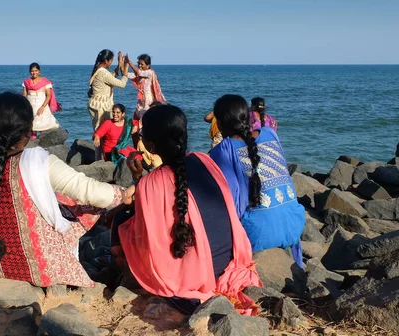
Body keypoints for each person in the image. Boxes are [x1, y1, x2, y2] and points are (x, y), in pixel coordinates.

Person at [0, 92, 134, 288]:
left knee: (52, 198)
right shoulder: (37, 161)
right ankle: (70, 262)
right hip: (43, 270)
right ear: (28, 130)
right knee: (74, 201)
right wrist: (123, 194)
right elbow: (91, 192)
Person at [113, 104, 262, 316]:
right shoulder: (204, 159)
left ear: (150, 145)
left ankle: (119, 269)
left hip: (198, 276)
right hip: (231, 260)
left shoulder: (151, 182)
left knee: (121, 222)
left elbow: (149, 234)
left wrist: (138, 178)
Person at [209, 94, 304, 267]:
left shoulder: (223, 150)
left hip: (259, 235)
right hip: (295, 224)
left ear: (220, 124)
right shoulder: (270, 134)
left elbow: (234, 204)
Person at [88, 49, 129, 130]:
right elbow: (122, 84)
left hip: (95, 103)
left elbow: (110, 77)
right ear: (106, 61)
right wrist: (125, 73)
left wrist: (119, 65)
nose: (111, 63)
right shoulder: (104, 73)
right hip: (102, 106)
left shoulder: (99, 70)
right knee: (103, 131)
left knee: (99, 129)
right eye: (111, 60)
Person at [22, 63, 61, 138]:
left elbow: (49, 96)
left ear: (39, 71)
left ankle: (44, 146)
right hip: (31, 107)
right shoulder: (26, 82)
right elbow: (24, 96)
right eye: (32, 71)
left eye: (36, 70)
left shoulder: (45, 82)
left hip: (42, 107)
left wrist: (42, 107)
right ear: (30, 72)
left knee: (43, 128)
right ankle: (32, 145)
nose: (34, 73)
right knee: (31, 128)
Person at [126, 54, 167, 124]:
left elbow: (140, 72)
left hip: (149, 102)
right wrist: (123, 63)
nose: (139, 66)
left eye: (142, 64)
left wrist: (129, 62)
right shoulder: (138, 75)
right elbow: (125, 74)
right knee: (137, 120)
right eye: (138, 64)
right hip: (141, 102)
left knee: (147, 122)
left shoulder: (150, 72)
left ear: (148, 66)